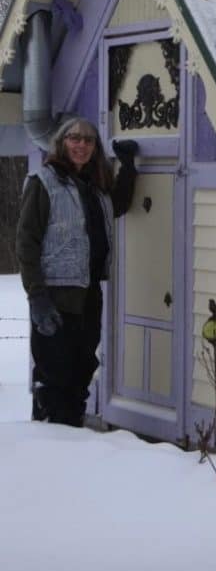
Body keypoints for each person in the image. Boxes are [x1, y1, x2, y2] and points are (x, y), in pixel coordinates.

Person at [16, 116, 138, 427]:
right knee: (54, 374)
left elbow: (118, 205)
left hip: (89, 293)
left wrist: (128, 166)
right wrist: (37, 297)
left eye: (88, 140)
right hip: (54, 295)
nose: (81, 145)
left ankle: (73, 435)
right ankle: (51, 439)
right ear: (61, 143)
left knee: (82, 368)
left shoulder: (96, 188)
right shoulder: (43, 182)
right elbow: (26, 242)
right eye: (74, 138)